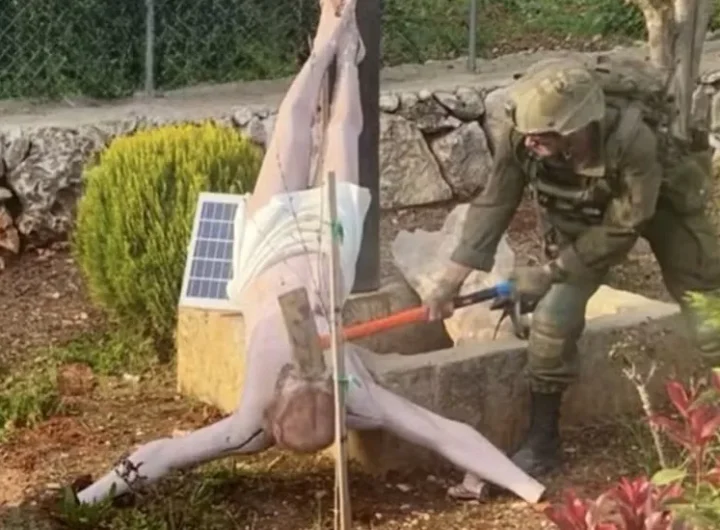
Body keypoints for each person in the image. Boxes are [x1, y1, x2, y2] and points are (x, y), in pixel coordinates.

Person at [72, 0, 546, 507]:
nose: (307, 370)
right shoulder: (352, 398)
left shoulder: (256, 422)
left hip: (266, 250)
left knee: (294, 132)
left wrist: (92, 496)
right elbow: (443, 432)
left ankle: (331, 49)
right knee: (336, 133)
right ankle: (339, 54)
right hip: (324, 248)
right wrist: (530, 488)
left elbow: (165, 454)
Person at [425, 57, 720, 488]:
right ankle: (543, 442)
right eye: (527, 133)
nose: (530, 142)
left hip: (660, 207)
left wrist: (551, 271)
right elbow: (494, 202)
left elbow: (626, 224)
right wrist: (449, 282)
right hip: (584, 217)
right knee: (551, 320)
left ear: (577, 127)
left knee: (706, 307)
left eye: (542, 135)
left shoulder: (633, 139)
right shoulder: (523, 135)